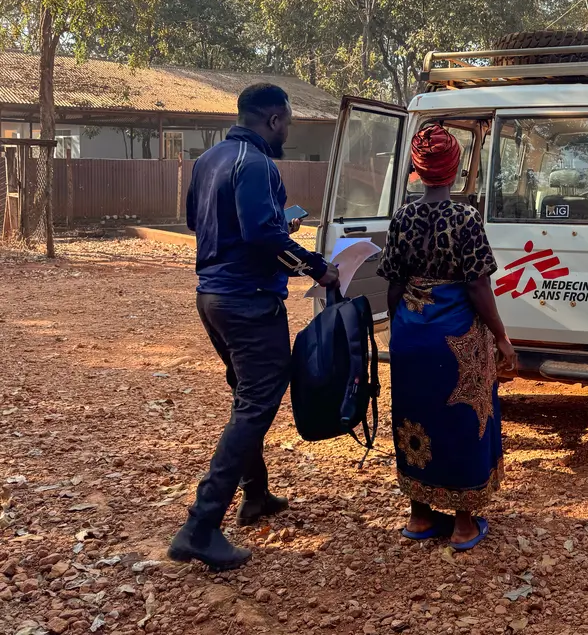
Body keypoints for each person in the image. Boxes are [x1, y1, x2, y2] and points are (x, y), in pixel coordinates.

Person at [168, 84, 339, 570]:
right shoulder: (259, 164)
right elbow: (262, 234)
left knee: (247, 394)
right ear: (274, 120)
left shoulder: (208, 160)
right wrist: (316, 267)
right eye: (287, 123)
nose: (287, 132)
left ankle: (256, 495)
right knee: (256, 403)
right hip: (249, 300)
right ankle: (200, 526)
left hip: (212, 298)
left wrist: (273, 229)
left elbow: (197, 221)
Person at [377, 124, 514, 551]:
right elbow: (478, 286)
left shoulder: (402, 217)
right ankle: (463, 525)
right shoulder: (465, 218)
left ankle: (419, 516)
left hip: (410, 335)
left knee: (415, 418)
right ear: (454, 169)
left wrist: (401, 328)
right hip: (457, 340)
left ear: (417, 170)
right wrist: (502, 337)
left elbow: (394, 285)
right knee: (463, 420)